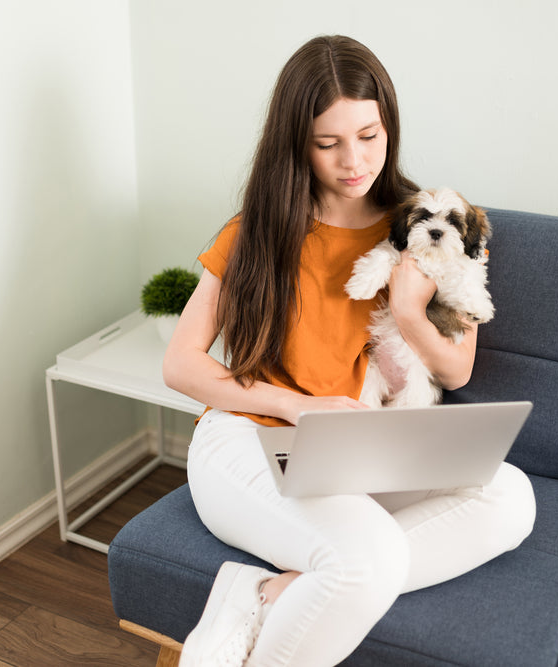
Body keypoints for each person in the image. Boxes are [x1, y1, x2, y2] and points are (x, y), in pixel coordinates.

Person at [163, 35, 536, 667]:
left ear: (388, 124)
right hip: (253, 439)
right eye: (327, 143)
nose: (353, 160)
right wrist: (300, 408)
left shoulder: (429, 225)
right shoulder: (256, 230)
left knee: (509, 496)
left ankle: (265, 592)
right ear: (296, 143)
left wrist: (412, 310)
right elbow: (181, 365)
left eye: (369, 135)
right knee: (371, 558)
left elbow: (457, 368)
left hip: (362, 449)